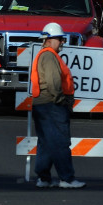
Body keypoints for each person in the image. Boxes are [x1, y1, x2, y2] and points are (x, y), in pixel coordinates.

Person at [30, 22, 85, 189]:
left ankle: (43, 178)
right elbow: (54, 82)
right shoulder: (49, 56)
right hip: (53, 105)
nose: (62, 42)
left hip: (42, 104)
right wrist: (63, 100)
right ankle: (66, 178)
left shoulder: (44, 55)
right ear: (48, 39)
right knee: (61, 142)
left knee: (46, 142)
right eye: (59, 39)